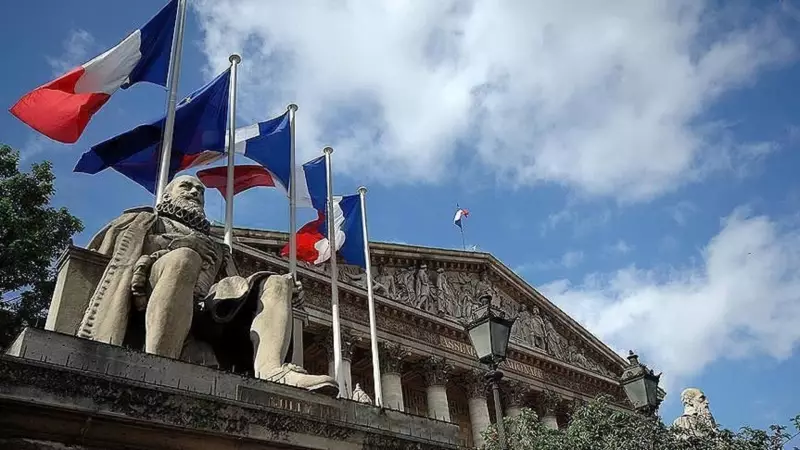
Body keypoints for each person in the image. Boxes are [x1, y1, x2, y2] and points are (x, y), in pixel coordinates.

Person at [75, 175, 337, 395]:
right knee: (184, 258)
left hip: (205, 310)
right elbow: (116, 252)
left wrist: (285, 296)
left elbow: (232, 288)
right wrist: (180, 244)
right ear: (167, 196)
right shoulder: (147, 221)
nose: (194, 192)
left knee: (277, 281)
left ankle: (272, 370)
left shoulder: (218, 248)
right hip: (150, 291)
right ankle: (159, 364)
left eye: (200, 190)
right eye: (186, 187)